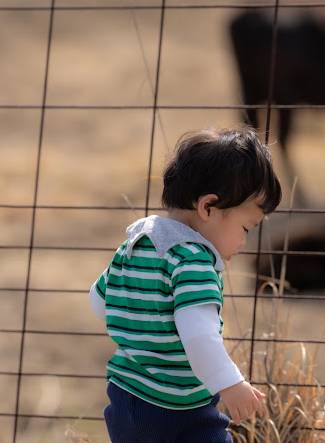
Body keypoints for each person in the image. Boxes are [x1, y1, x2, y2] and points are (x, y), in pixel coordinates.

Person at [90, 125, 282, 443]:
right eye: (246, 227)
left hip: (125, 400)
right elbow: (199, 335)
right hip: (178, 412)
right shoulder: (194, 262)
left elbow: (98, 304)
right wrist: (230, 384)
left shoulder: (136, 243)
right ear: (208, 207)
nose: (245, 242)